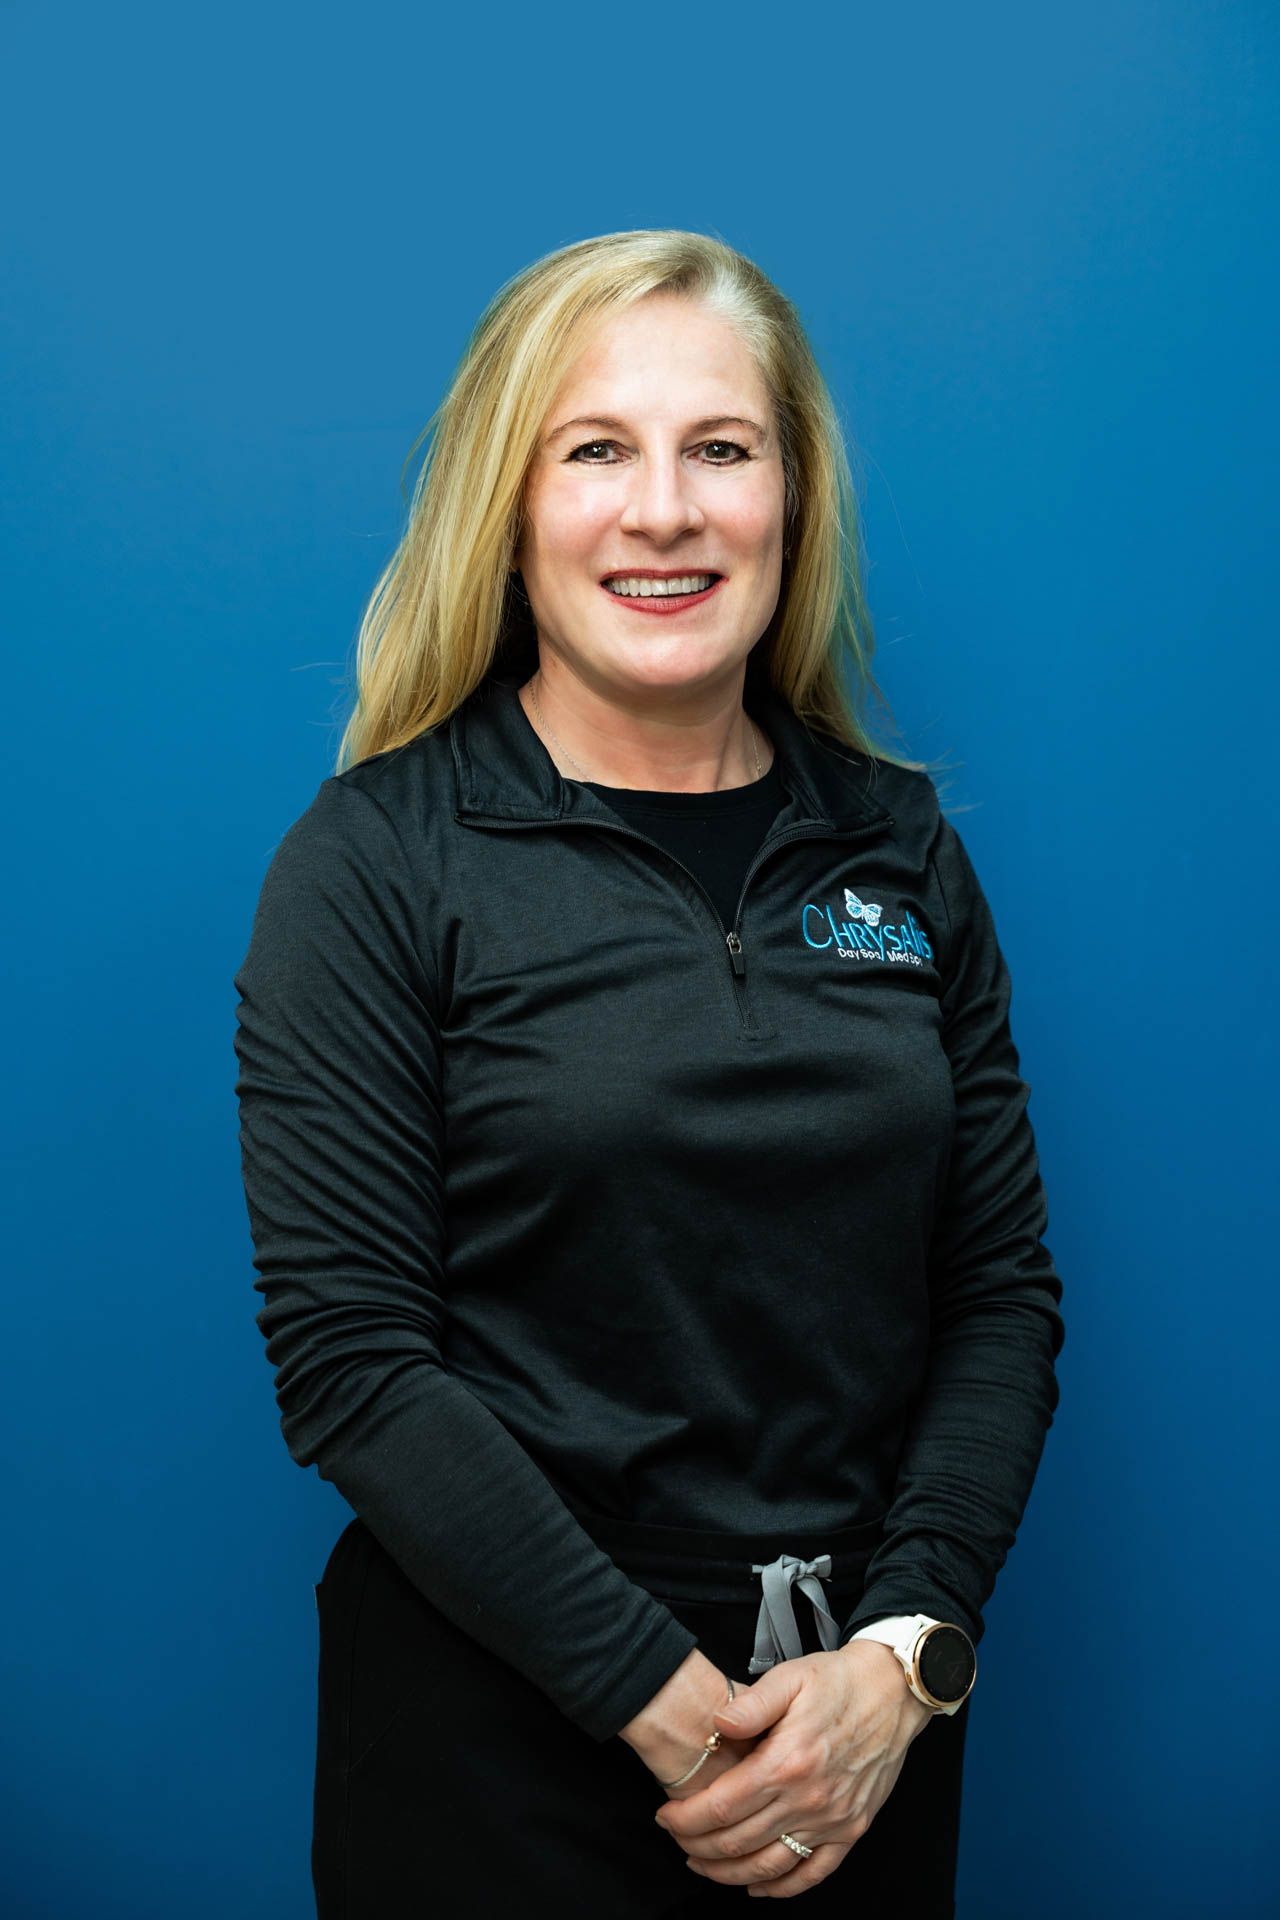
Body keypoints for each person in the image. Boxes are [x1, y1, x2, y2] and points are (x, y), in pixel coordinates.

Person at [232, 228, 1065, 1917]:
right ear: (509, 505)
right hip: (497, 1750)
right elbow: (352, 1361)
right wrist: (682, 1722)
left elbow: (999, 1295)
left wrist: (900, 1664)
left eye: (723, 450)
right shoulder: (378, 860)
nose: (666, 510)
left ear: (791, 500)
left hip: (857, 1741)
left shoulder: (899, 845)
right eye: (598, 450)